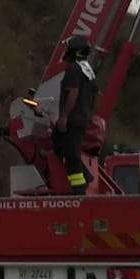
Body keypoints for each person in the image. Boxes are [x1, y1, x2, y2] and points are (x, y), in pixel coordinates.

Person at [50, 35, 97, 196]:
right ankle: (85, 177)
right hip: (82, 118)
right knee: (64, 146)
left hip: (73, 119)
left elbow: (73, 93)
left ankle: (79, 188)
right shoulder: (88, 70)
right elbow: (94, 94)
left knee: (70, 154)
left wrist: (63, 117)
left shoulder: (73, 69)